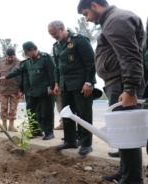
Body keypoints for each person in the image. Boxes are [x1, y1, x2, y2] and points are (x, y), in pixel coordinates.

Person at [78, 0, 145, 183]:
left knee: (126, 133)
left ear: (94, 5)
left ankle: (133, 179)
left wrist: (130, 87)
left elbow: (129, 54)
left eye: (86, 14)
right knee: (121, 132)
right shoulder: (112, 20)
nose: (87, 19)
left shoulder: (117, 20)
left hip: (123, 84)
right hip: (118, 82)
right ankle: (125, 172)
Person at [48, 20, 96, 155]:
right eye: (51, 34)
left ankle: (86, 143)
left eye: (54, 33)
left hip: (81, 84)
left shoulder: (79, 40)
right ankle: (70, 140)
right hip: (65, 85)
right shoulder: (56, 45)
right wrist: (57, 83)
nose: (53, 36)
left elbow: (91, 63)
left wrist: (89, 83)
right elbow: (57, 67)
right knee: (67, 114)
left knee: (84, 114)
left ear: (62, 28)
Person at [0, 41, 55, 140]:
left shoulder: (45, 58)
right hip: (33, 91)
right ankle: (35, 131)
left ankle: (49, 132)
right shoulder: (28, 61)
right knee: (30, 109)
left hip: (45, 90)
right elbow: (18, 70)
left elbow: (53, 72)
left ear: (32, 49)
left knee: (46, 112)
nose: (25, 54)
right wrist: (6, 77)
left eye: (26, 52)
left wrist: (52, 87)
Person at [0, 48, 21, 132]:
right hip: (3, 89)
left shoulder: (19, 63)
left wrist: (20, 90)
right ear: (6, 56)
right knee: (3, 108)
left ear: (14, 56)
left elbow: (22, 77)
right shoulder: (0, 63)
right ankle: (4, 125)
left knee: (13, 108)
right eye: (8, 57)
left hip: (15, 89)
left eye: (12, 57)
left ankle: (11, 125)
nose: (10, 59)